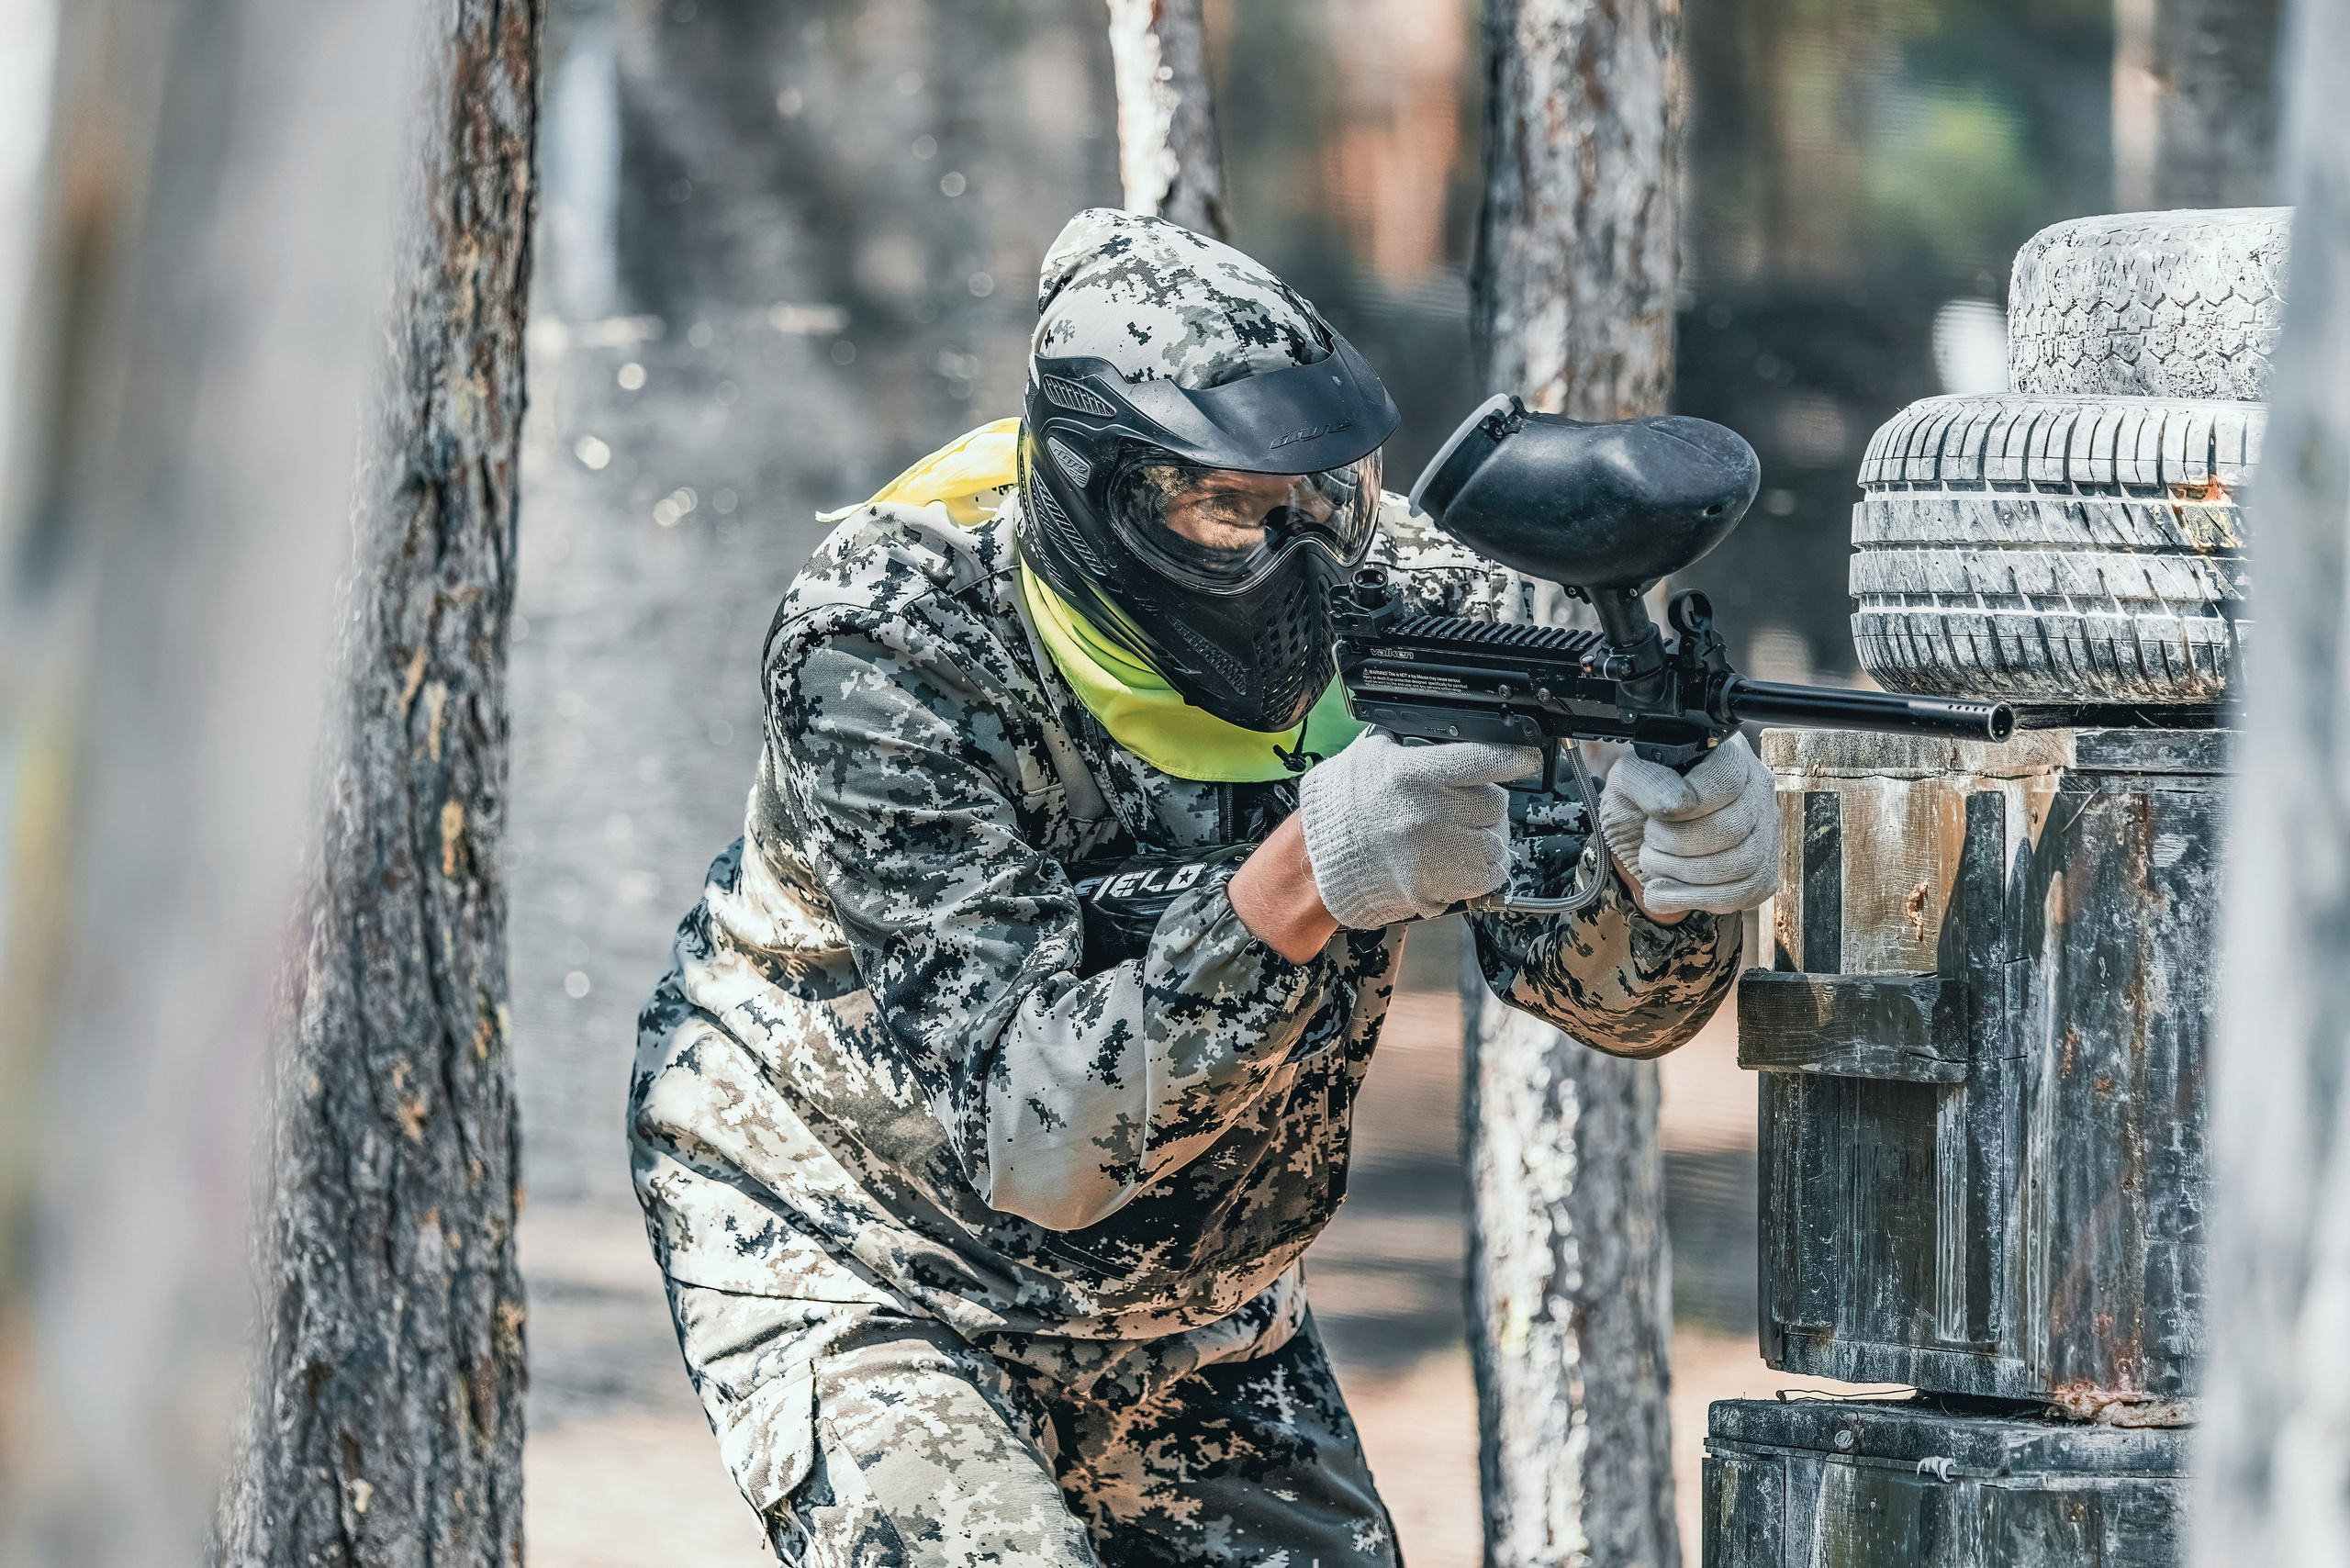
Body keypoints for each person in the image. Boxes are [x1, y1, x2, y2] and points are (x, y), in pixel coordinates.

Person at [630, 208, 1780, 1568]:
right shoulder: (895, 644)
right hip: (865, 1252)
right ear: (1099, 490)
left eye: (1321, 491)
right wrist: (1310, 878)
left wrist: (1664, 881)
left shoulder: (1394, 592)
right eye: (1228, 507)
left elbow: (1609, 1004)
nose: (1300, 551)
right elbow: (1034, 1132)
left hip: (1186, 1300)